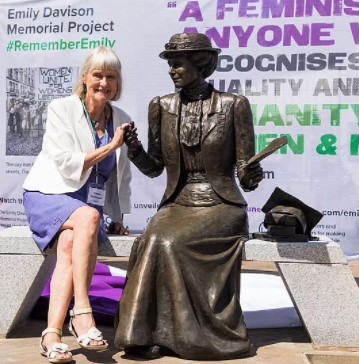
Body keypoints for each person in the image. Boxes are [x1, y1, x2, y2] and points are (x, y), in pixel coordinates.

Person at [114, 33, 263, 360]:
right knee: (153, 239)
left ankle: (188, 337)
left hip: (221, 204)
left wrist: (252, 174)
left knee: (170, 242)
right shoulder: (162, 107)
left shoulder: (233, 106)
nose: (172, 71)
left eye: (178, 64)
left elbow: (245, 175)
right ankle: (141, 334)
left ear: (201, 64)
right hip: (179, 201)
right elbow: (155, 169)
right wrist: (134, 149)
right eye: (170, 64)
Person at [23, 46, 132, 364]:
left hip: (86, 209)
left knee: (71, 241)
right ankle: (82, 311)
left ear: (118, 82)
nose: (104, 82)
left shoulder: (121, 119)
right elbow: (66, 163)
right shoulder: (62, 108)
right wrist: (110, 146)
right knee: (86, 216)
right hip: (50, 194)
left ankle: (52, 335)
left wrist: (118, 216)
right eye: (98, 74)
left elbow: (119, 177)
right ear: (85, 77)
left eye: (111, 76)